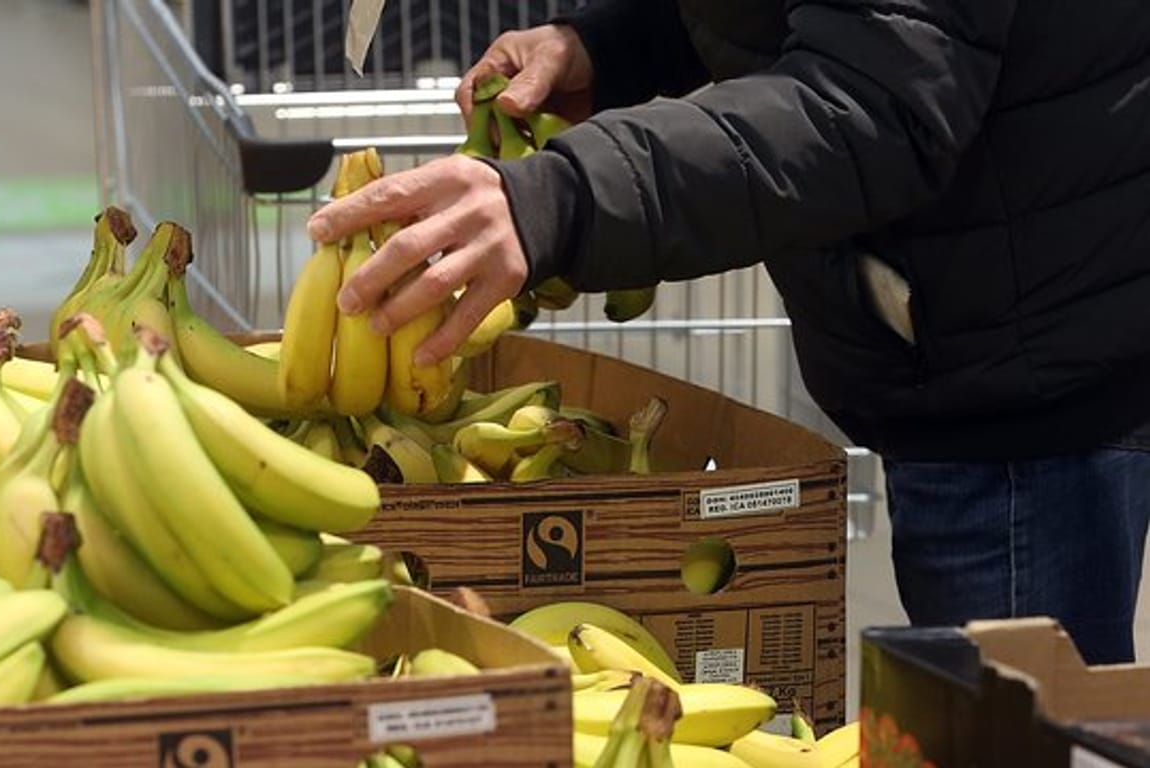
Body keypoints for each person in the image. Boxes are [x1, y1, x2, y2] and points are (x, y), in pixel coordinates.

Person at [305, 0, 1150, 664]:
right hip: (978, 330)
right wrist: (608, 43)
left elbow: (871, 101)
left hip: (1022, 376)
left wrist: (560, 198)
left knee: (1014, 733)